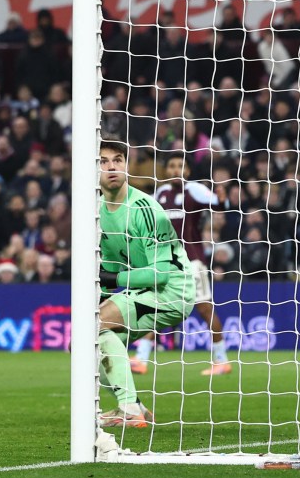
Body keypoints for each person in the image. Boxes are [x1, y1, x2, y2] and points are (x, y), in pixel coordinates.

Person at [97, 139, 194, 428]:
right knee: (90, 343)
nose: (112, 166)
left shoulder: (144, 208)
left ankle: (129, 408)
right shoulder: (98, 211)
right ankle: (133, 404)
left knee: (96, 326)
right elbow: (111, 266)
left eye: (118, 159)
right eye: (103, 161)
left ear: (126, 164)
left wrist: (113, 281)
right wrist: (99, 298)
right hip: (143, 290)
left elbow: (159, 274)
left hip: (173, 290)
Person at [152, 151, 231, 376]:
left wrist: (222, 196)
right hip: (166, 262)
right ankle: (141, 357)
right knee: (154, 305)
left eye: (181, 166)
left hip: (192, 261)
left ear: (187, 171)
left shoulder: (194, 189)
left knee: (204, 308)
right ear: (166, 171)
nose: (176, 170)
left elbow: (219, 204)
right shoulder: (161, 193)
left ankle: (222, 360)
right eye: (172, 166)